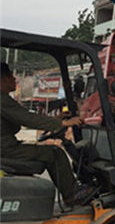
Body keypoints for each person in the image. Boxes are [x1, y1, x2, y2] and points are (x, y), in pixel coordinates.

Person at [1, 63, 84, 204]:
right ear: (3, 79)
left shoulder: (4, 100)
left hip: (6, 147)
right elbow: (28, 119)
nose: (14, 79)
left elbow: (25, 116)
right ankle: (73, 194)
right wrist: (62, 124)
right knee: (55, 153)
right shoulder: (2, 100)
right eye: (11, 76)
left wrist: (56, 119)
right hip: (6, 150)